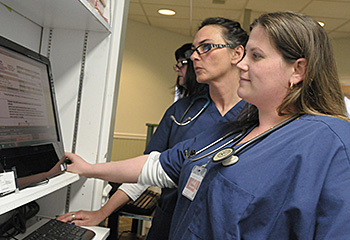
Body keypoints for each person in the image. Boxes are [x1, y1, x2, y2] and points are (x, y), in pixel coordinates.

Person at [64, 11, 350, 239]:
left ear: (297, 70)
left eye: (256, 56)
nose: (242, 65)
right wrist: (89, 169)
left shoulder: (331, 144)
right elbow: (158, 165)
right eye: (246, 54)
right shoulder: (233, 131)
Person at [58, 17, 249, 240]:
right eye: (195, 49)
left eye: (206, 47)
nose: (195, 56)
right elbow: (149, 170)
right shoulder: (181, 113)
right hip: (169, 224)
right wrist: (102, 211)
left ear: (237, 54)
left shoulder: (256, 115)